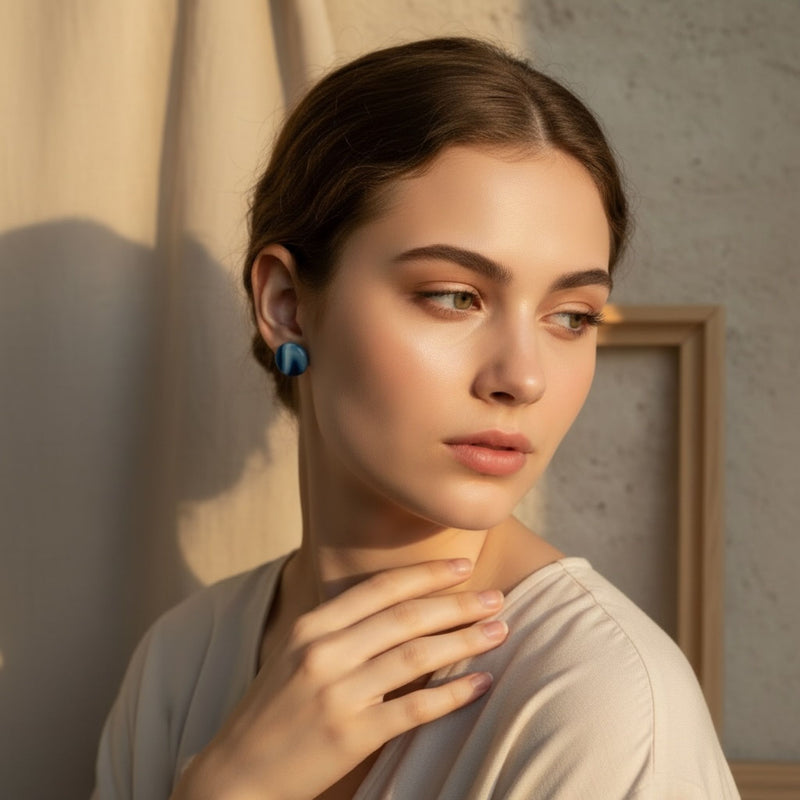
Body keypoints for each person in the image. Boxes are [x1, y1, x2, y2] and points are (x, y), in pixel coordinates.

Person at [93, 37, 740, 799]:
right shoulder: (180, 661)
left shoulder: (600, 701)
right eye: (455, 296)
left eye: (571, 316)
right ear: (288, 305)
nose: (523, 378)